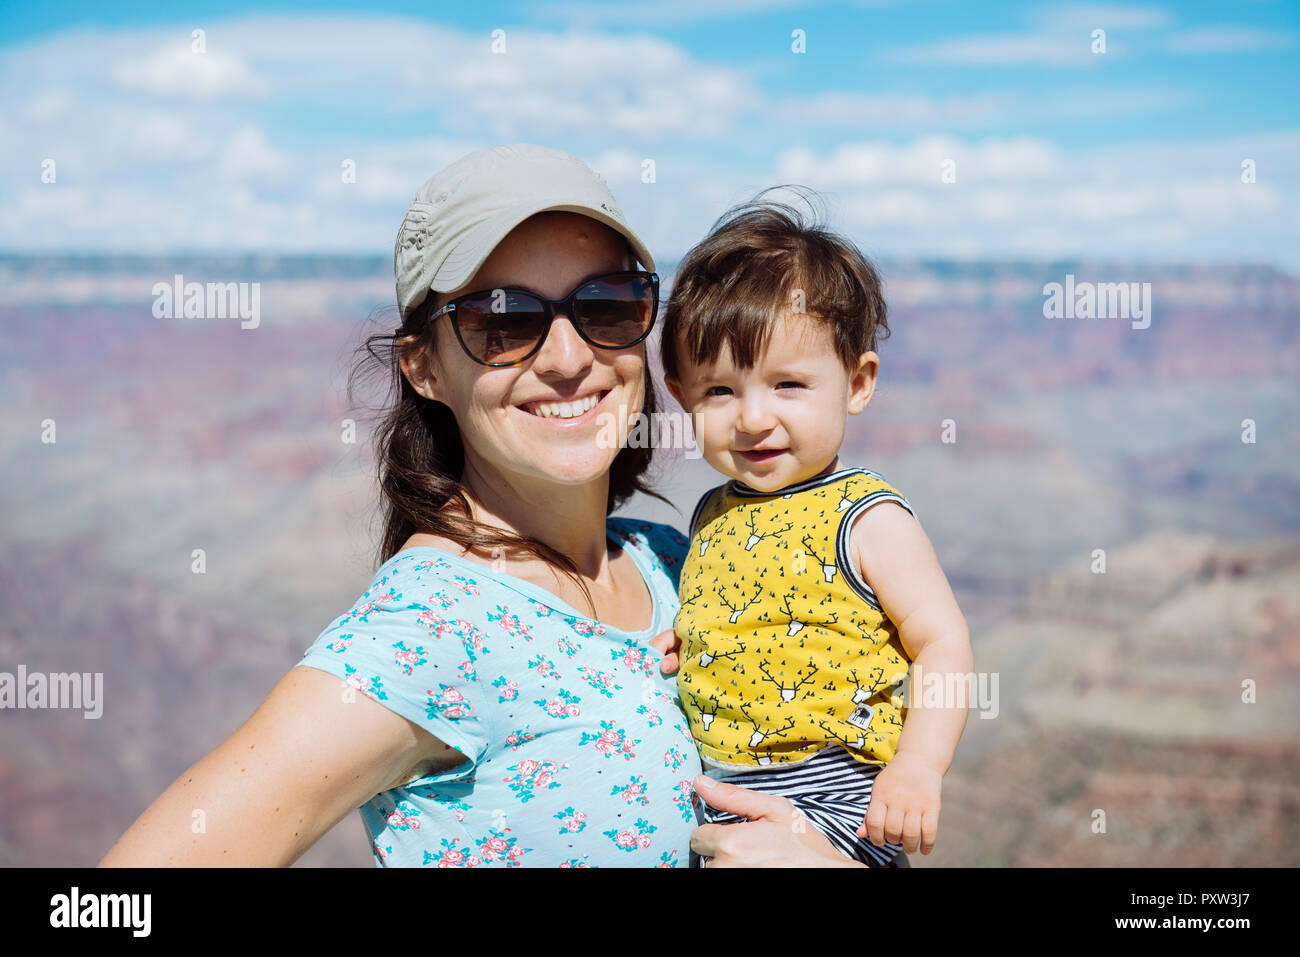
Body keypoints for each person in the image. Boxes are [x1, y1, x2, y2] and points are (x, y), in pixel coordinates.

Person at [98, 144, 862, 867]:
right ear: (424, 365)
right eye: (503, 320)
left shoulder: (672, 559)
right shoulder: (433, 630)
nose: (568, 358)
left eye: (605, 305)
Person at [660, 190, 975, 866]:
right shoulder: (712, 513)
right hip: (721, 796)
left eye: (788, 385)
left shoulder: (868, 517)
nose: (751, 417)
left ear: (857, 383)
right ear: (682, 393)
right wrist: (687, 637)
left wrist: (919, 766)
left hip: (838, 808)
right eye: (720, 390)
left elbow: (943, 643)